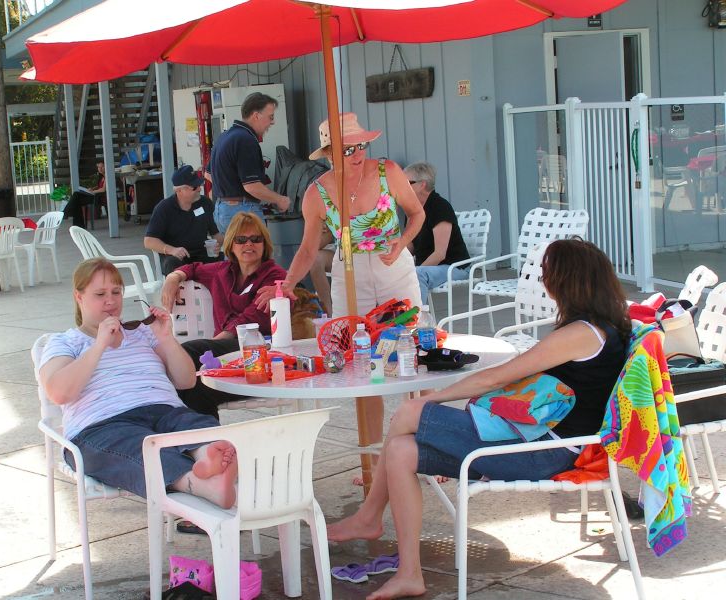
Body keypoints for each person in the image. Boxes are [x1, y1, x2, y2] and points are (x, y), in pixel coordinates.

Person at [327, 238, 631, 600]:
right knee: (401, 451)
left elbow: (499, 377)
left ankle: (369, 517)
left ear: (566, 280)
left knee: (411, 410)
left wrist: (434, 399)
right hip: (538, 441)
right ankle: (409, 572)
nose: (542, 279)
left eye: (546, 272)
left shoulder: (581, 334)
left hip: (547, 451)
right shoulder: (600, 328)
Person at [255, 112, 426, 464]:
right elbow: (307, 248)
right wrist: (286, 284)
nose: (358, 153)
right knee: (363, 364)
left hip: (394, 265)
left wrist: (402, 242)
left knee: (413, 354)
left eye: (361, 145)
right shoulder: (317, 194)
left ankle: (426, 452)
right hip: (350, 274)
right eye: (348, 149)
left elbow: (417, 214)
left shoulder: (387, 171)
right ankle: (373, 459)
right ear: (330, 153)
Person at [37, 257, 237, 506]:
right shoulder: (65, 342)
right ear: (79, 297)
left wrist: (166, 339)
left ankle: (207, 453)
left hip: (164, 411)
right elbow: (59, 392)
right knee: (139, 447)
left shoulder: (141, 332)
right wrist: (99, 345)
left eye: (116, 292)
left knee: (198, 424)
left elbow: (185, 380)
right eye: (100, 294)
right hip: (102, 425)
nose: (110, 301)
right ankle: (198, 482)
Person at [161, 211, 287, 418]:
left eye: (256, 239)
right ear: (231, 244)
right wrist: (174, 277)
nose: (249, 245)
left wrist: (216, 342)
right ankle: (202, 439)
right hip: (225, 355)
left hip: (259, 352)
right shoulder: (222, 271)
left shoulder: (274, 276)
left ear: (265, 244)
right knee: (193, 389)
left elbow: (253, 317)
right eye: (241, 240)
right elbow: (193, 268)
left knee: (190, 350)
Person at [207, 92, 291, 233]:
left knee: (236, 254)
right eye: (270, 117)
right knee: (258, 254)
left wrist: (228, 191)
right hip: (241, 211)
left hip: (222, 210)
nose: (273, 122)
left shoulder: (224, 136)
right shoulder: (245, 140)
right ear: (256, 115)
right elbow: (252, 187)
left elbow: (208, 174)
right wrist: (280, 199)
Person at [404, 162, 471, 304]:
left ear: (422, 184)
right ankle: (392, 320)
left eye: (407, 183)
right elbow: (408, 248)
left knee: (417, 274)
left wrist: (412, 271)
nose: (402, 187)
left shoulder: (440, 207)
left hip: (454, 267)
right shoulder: (412, 210)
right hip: (428, 268)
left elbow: (440, 254)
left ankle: (417, 320)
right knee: (390, 275)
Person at [144, 165, 223, 276]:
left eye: (199, 185)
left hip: (202, 253)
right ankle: (178, 292)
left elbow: (216, 234)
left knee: (225, 261)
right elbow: (149, 241)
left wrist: (218, 245)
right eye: (194, 187)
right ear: (179, 190)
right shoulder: (164, 208)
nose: (199, 189)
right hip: (176, 256)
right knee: (173, 264)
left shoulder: (205, 203)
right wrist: (171, 250)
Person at [64, 160, 106, 229]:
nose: (100, 169)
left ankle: (66, 212)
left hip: (99, 197)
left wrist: (93, 191)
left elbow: (103, 189)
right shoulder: (101, 176)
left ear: (106, 167)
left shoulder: (107, 176)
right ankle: (78, 225)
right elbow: (99, 186)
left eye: (102, 167)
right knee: (76, 196)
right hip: (94, 195)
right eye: (98, 167)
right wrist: (92, 188)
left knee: (76, 197)